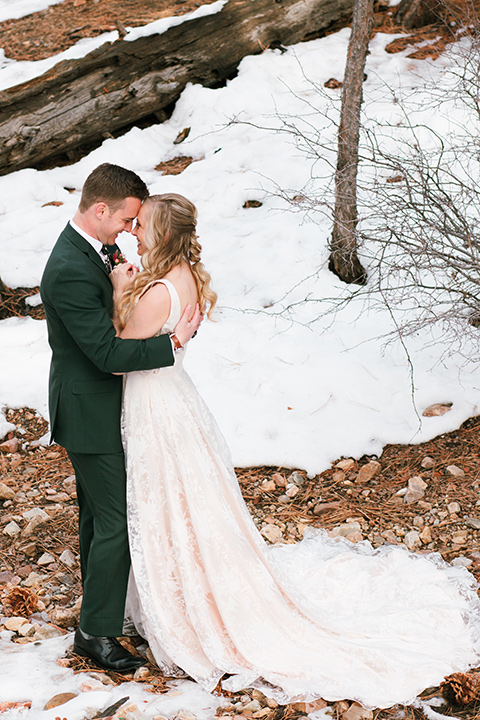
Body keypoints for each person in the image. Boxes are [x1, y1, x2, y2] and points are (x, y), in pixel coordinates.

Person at [112, 192, 480, 708]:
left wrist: (117, 287)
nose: (135, 231)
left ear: (163, 235)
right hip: (174, 397)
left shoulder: (155, 291)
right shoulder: (187, 277)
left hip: (156, 402)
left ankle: (189, 598)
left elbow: (119, 355)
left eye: (143, 225)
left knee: (167, 497)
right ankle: (186, 579)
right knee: (185, 499)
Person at [40, 165, 201, 674]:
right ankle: (97, 633)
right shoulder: (68, 266)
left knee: (100, 518)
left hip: (110, 407)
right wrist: (171, 344)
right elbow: (108, 353)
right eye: (128, 219)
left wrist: (118, 292)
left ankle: (100, 615)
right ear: (100, 209)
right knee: (115, 522)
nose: (131, 232)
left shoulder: (96, 250)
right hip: (90, 409)